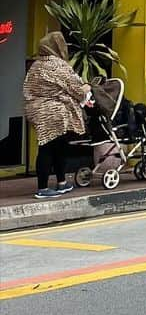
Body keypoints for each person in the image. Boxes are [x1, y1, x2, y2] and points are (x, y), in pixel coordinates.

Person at [23, 32, 92, 199]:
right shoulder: (59, 65)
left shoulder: (36, 65)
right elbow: (76, 89)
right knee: (49, 148)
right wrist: (88, 87)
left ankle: (62, 183)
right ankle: (43, 188)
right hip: (54, 112)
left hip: (35, 110)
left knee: (55, 146)